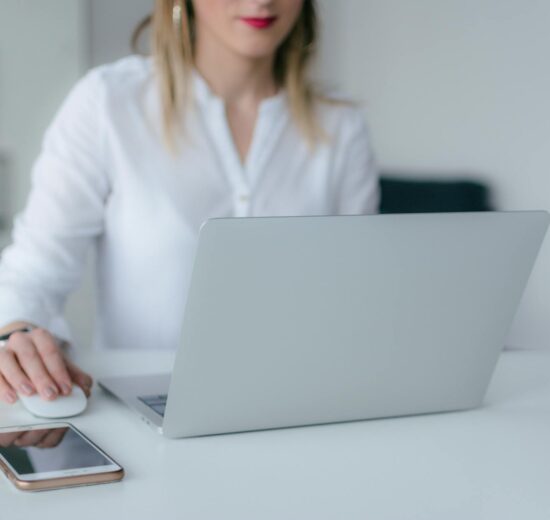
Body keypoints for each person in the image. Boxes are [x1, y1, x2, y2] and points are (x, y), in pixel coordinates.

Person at [0, 0, 379, 405]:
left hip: (300, 405)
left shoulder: (341, 127)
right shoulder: (108, 103)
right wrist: (15, 333)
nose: (261, 1)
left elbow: (356, 299)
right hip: (145, 412)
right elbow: (35, 271)